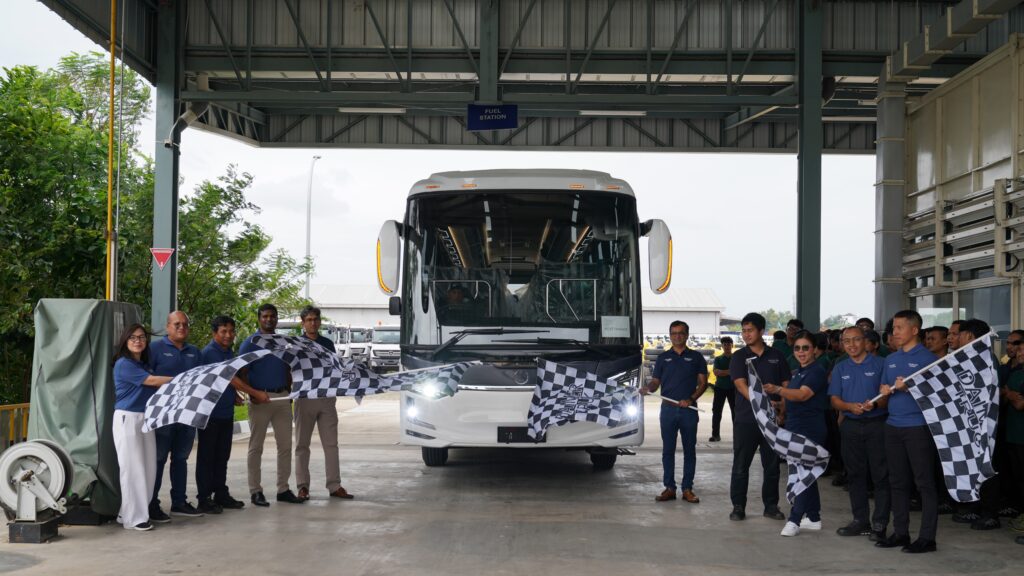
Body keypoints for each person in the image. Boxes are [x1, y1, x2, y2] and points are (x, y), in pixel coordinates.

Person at [875, 310, 939, 553]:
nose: (895, 332)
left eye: (900, 327)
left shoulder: (928, 359)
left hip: (918, 427)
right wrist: (884, 393)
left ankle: (927, 538)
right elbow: (883, 397)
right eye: (894, 328)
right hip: (893, 425)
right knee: (897, 482)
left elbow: (938, 396)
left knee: (924, 483)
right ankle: (900, 532)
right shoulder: (891, 360)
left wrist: (910, 388)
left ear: (915, 330)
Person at [196, 315, 269, 514]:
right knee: (207, 458)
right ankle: (204, 498)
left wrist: (235, 396)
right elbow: (230, 378)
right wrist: (254, 393)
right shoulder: (211, 352)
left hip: (225, 413)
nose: (228, 335)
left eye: (231, 331)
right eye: (223, 331)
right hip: (210, 415)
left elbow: (225, 383)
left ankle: (221, 493)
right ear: (214, 333)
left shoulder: (227, 352)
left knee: (222, 457)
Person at [238, 303, 304, 507]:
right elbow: (241, 372)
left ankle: (283, 489)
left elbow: (288, 367)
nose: (269, 319)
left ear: (276, 318)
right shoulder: (250, 343)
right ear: (259, 318)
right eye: (265, 316)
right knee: (255, 447)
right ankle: (255, 491)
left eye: (272, 316)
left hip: (282, 398)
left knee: (285, 446)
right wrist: (252, 394)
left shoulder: (282, 342)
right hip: (259, 399)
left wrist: (289, 390)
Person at [763, 330, 829, 537]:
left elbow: (802, 395)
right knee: (806, 473)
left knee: (802, 474)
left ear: (815, 350)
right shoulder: (798, 372)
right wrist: (779, 403)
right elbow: (793, 398)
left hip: (810, 428)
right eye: (797, 348)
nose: (801, 352)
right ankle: (814, 517)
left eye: (806, 348)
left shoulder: (816, 371)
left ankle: (795, 519)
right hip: (795, 425)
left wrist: (779, 390)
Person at [829, 325, 890, 541]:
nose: (852, 345)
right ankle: (860, 521)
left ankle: (880, 523)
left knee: (881, 476)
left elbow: (886, 398)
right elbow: (835, 399)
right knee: (855, 475)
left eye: (856, 340)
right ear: (842, 344)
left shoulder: (882, 364)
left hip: (877, 425)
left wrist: (877, 403)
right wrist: (848, 406)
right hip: (851, 426)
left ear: (865, 341)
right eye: (847, 341)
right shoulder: (840, 367)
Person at [728, 312, 789, 522]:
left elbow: (786, 385)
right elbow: (740, 384)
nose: (746, 335)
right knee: (740, 466)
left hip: (772, 421)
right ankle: (738, 506)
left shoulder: (777, 356)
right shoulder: (739, 357)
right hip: (747, 420)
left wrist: (782, 409)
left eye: (750, 330)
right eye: (743, 331)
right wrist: (761, 403)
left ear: (761, 331)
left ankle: (771, 506)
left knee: (772, 466)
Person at [112, 324, 172, 531]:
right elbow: (153, 381)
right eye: (133, 338)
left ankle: (126, 512)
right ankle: (134, 519)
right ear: (125, 342)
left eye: (141, 338)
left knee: (148, 468)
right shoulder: (123, 364)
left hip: (145, 419)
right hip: (127, 419)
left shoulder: (143, 365)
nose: (138, 341)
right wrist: (180, 380)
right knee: (132, 469)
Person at [294, 305, 355, 501]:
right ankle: (302, 487)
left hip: (327, 398)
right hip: (305, 398)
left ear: (319, 322)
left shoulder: (327, 343)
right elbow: (292, 369)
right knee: (302, 445)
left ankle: (334, 486)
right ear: (302, 323)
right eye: (309, 320)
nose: (312, 323)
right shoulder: (297, 344)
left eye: (315, 319)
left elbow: (335, 368)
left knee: (331, 444)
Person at [642, 321, 707, 503]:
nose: (677, 336)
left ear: (687, 335)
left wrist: (691, 399)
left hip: (688, 411)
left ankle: (687, 489)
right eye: (674, 333)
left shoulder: (696, 357)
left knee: (689, 451)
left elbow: (703, 383)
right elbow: (656, 382)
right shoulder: (663, 358)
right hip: (668, 410)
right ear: (669, 335)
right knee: (667, 450)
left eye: (681, 333)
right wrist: (648, 388)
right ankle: (669, 488)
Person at [149, 311, 203, 521]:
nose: (182, 327)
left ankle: (179, 502)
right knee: (158, 459)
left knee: (180, 459)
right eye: (177, 324)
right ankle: (151, 503)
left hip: (187, 414)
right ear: (168, 326)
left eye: (185, 324)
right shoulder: (154, 349)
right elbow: (148, 379)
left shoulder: (194, 352)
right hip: (163, 415)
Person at [951, 319, 1002, 530]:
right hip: (969, 426)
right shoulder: (964, 358)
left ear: (970, 336)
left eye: (958, 334)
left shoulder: (984, 360)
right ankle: (974, 507)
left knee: (986, 466)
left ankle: (990, 513)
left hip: (986, 427)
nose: (954, 338)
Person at [710, 337, 736, 442]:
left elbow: (736, 371)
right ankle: (715, 435)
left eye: (728, 344)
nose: (727, 346)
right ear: (722, 346)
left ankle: (737, 435)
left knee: (735, 413)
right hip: (719, 388)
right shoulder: (718, 359)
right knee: (716, 412)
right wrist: (730, 371)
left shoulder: (735, 358)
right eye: (725, 344)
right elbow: (716, 372)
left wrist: (723, 372)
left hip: (733, 388)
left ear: (732, 345)